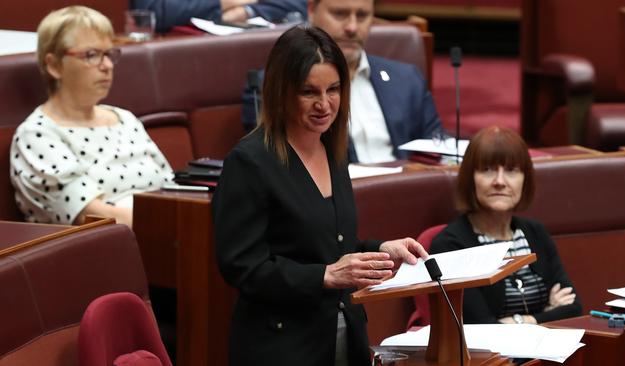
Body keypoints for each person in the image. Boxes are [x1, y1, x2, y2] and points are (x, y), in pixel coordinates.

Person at [212, 25, 428, 366]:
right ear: (282, 92)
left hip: (344, 335)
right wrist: (325, 276)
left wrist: (380, 251)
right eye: (309, 92)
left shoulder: (333, 149)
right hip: (282, 347)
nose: (324, 104)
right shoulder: (250, 161)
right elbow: (243, 267)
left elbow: (329, 245)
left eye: (334, 89)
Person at [9, 6, 174, 227]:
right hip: (107, 250)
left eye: (108, 54)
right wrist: (178, 225)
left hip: (168, 238)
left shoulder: (124, 119)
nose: (106, 66)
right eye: (92, 55)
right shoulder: (37, 135)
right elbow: (92, 218)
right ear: (54, 65)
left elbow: (172, 189)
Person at [243, 0, 444, 163]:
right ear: (312, 10)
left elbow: (439, 148)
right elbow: (278, 163)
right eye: (339, 14)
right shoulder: (279, 85)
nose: (352, 27)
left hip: (408, 197)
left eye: (362, 16)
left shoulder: (407, 78)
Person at [429, 126, 582, 324]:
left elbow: (574, 307)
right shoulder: (449, 246)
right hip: (490, 355)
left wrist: (519, 321)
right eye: (487, 170)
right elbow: (482, 326)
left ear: (524, 180)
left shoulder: (535, 233)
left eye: (511, 170)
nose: (500, 181)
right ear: (470, 179)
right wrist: (546, 313)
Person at [130, 0, 307, 33]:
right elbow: (151, 12)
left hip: (253, 43)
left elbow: (305, 4)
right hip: (188, 55)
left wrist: (246, 11)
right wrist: (223, 2)